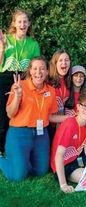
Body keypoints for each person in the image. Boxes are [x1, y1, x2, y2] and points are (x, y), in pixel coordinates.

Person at [0, 56, 60, 181]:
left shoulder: (51, 91)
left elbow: (51, 116)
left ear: (47, 71)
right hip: (19, 133)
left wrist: (73, 117)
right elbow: (10, 114)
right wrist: (17, 96)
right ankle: (1, 158)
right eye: (35, 69)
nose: (38, 72)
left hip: (41, 134)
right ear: (30, 71)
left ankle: (22, 159)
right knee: (18, 176)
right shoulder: (20, 86)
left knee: (41, 171)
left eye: (42, 69)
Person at [0, 9, 41, 155]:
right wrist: (2, 48)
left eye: (25, 21)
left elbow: (35, 67)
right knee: (2, 115)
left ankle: (16, 146)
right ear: (14, 23)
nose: (22, 24)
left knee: (19, 113)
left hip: (23, 79)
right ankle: (2, 148)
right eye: (19, 21)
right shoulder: (5, 39)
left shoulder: (33, 44)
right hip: (5, 78)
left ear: (29, 24)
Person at [51, 92, 86, 193]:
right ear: (78, 107)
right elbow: (59, 155)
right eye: (84, 106)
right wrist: (63, 185)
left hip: (78, 156)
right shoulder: (70, 124)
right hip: (65, 164)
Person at [48, 49, 72, 114]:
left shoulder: (70, 80)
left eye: (66, 60)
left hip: (61, 118)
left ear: (70, 63)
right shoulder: (47, 79)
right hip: (46, 120)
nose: (64, 63)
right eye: (60, 60)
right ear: (55, 63)